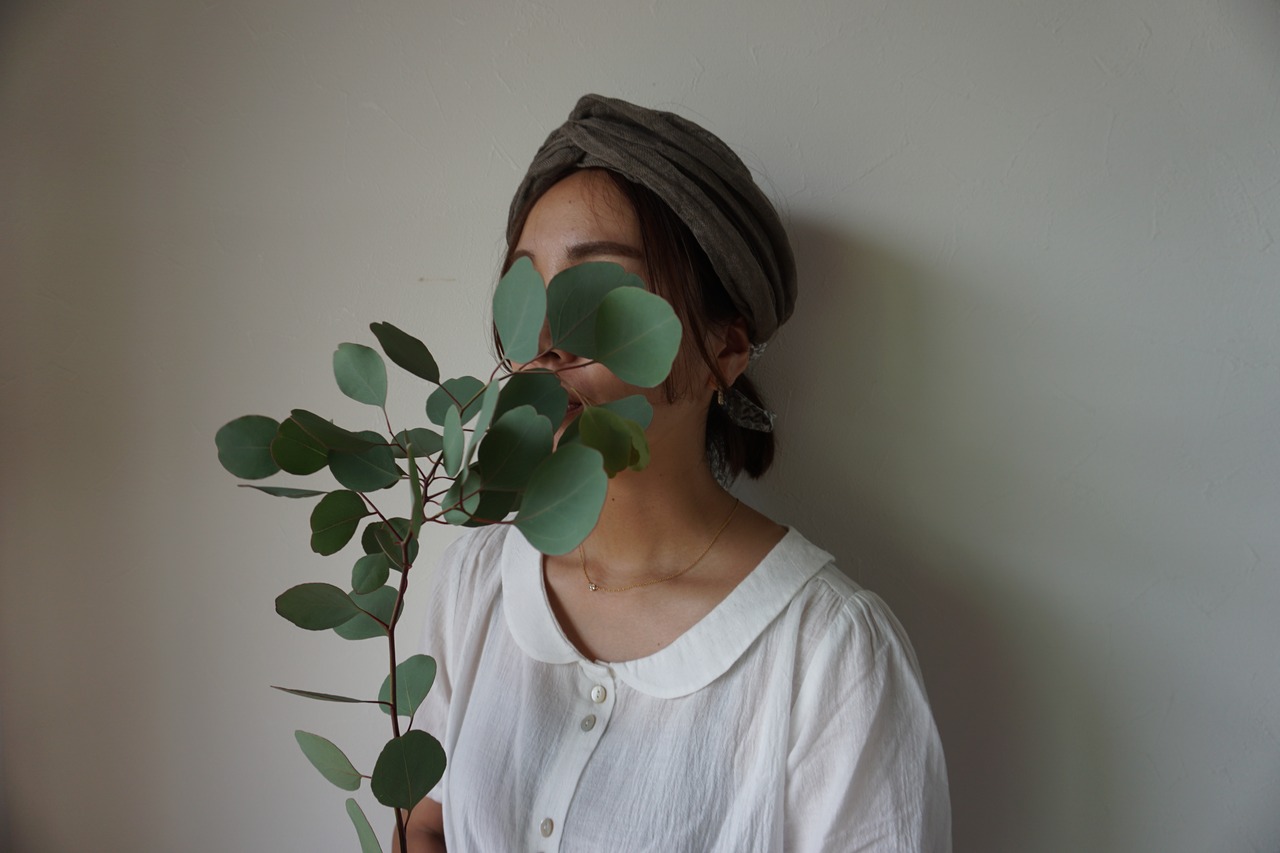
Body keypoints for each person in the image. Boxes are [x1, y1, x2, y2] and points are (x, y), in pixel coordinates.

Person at [403, 94, 951, 852]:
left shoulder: (829, 658)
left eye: (598, 291)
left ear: (726, 348)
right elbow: (426, 818)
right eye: (526, 292)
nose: (546, 339)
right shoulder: (478, 580)